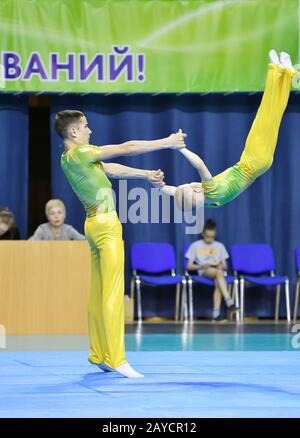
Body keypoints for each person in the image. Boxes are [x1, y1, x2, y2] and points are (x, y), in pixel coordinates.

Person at [55, 109, 186, 378]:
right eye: (86, 127)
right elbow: (126, 148)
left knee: (98, 291)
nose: (90, 131)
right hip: (107, 226)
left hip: (92, 226)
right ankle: (118, 358)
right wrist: (167, 142)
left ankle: (100, 354)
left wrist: (145, 174)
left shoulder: (68, 159)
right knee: (113, 292)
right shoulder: (81, 152)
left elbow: (109, 169)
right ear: (73, 132)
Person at [159, 50, 298, 211]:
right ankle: (285, 73)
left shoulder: (208, 202)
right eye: (188, 186)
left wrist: (159, 186)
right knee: (268, 116)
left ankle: (279, 71)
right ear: (195, 190)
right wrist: (181, 148)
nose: (189, 184)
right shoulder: (211, 192)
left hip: (251, 163)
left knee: (269, 115)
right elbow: (199, 164)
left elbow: (174, 191)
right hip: (253, 163)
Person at [185, 219, 238, 321]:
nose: (210, 239)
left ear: (215, 234)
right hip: (204, 270)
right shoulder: (195, 246)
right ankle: (229, 300)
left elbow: (225, 265)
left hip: (217, 271)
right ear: (202, 233)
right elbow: (189, 266)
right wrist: (200, 266)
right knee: (219, 274)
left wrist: (220, 265)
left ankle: (216, 314)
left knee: (219, 281)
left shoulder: (220, 246)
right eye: (207, 237)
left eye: (212, 237)